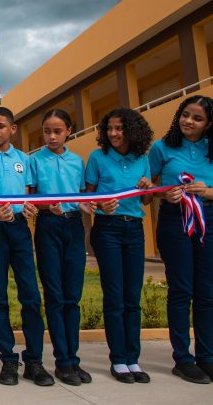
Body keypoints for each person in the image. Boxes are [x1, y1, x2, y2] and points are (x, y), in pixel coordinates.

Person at [0, 107, 54, 387]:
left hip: (19, 230)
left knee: (30, 295)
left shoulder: (23, 160)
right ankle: (8, 360)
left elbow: (28, 195)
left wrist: (27, 208)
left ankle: (34, 361)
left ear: (12, 129)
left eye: (1, 126)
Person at [85, 108, 154, 384]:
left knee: (132, 297)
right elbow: (86, 200)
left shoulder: (142, 159)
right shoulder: (97, 158)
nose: (114, 134)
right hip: (108, 230)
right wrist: (101, 203)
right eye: (110, 128)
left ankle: (133, 358)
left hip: (134, 229)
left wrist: (148, 187)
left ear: (132, 131)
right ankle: (118, 360)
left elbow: (146, 201)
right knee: (114, 296)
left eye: (120, 129)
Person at [149, 96, 213, 384]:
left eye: (197, 118)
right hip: (175, 221)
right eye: (185, 115)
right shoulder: (162, 148)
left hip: (209, 220)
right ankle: (183, 359)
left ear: (208, 124)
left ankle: (207, 357)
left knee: (207, 292)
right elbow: (146, 190)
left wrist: (207, 192)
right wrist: (164, 192)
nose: (189, 121)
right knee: (181, 289)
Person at [28, 109, 94, 386]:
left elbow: (81, 196)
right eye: (47, 131)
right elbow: (28, 198)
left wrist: (85, 204)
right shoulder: (34, 161)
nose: (52, 136)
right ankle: (62, 362)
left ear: (68, 130)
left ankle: (73, 359)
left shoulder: (77, 162)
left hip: (73, 226)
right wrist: (46, 206)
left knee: (72, 296)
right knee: (54, 296)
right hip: (47, 226)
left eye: (57, 131)